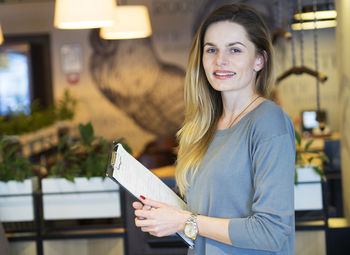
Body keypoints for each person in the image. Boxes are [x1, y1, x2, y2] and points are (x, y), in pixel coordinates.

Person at [133, 3, 295, 255]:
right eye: (211, 50)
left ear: (259, 60)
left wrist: (184, 221)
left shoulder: (268, 121)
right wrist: (168, 216)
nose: (220, 60)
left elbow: (271, 232)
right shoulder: (202, 127)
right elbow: (206, 220)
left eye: (235, 49)